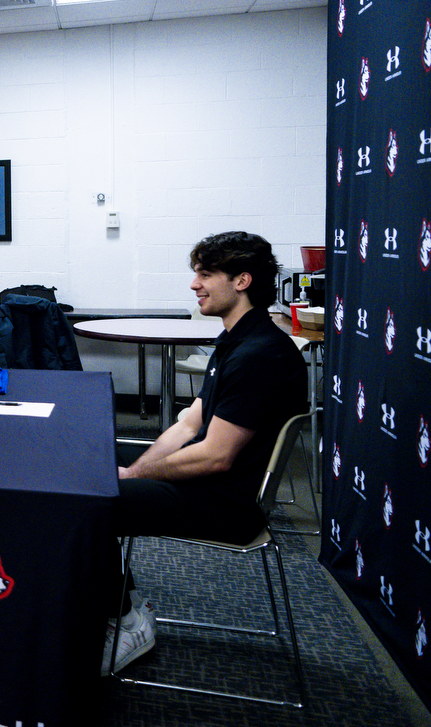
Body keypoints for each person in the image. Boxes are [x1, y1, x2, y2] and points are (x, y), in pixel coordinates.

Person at [103, 231, 307, 674]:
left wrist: (133, 478)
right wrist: (137, 468)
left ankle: (126, 621)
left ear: (242, 281)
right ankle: (127, 603)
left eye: (205, 274)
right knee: (93, 460)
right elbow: (190, 424)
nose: (195, 284)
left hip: (226, 504)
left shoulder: (261, 355)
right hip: (210, 485)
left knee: (91, 499)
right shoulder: (235, 340)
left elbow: (215, 456)